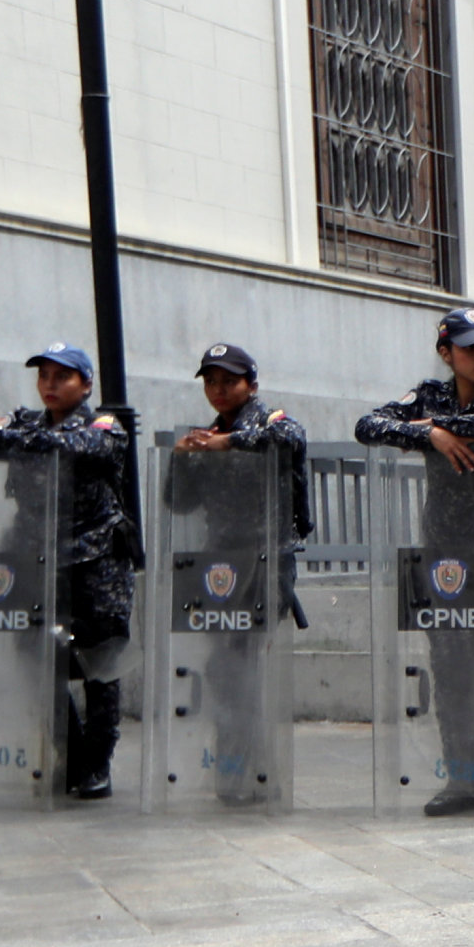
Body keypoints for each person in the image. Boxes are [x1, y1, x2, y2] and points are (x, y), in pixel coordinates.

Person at [355, 308, 474, 815]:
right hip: (445, 557)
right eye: (472, 348)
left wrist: (430, 427)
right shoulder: (426, 397)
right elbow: (368, 425)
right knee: (452, 671)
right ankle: (459, 779)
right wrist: (431, 434)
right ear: (446, 353)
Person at [0, 342, 141, 799]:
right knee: (34, 655)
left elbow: (70, 446)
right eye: (43, 376)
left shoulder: (104, 425)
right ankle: (67, 754)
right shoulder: (21, 422)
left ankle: (97, 764)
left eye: (62, 376)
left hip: (96, 562)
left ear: (85, 384)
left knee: (100, 664)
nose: (49, 385)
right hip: (36, 562)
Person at [160, 343, 311, 804]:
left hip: (263, 563)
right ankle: (245, 769)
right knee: (226, 670)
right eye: (211, 382)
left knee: (240, 669)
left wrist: (230, 443)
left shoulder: (271, 422)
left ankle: (246, 773)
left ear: (251, 385)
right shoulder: (207, 436)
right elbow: (178, 503)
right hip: (217, 567)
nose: (219, 390)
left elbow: (291, 439)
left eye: (229, 381)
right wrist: (184, 459)